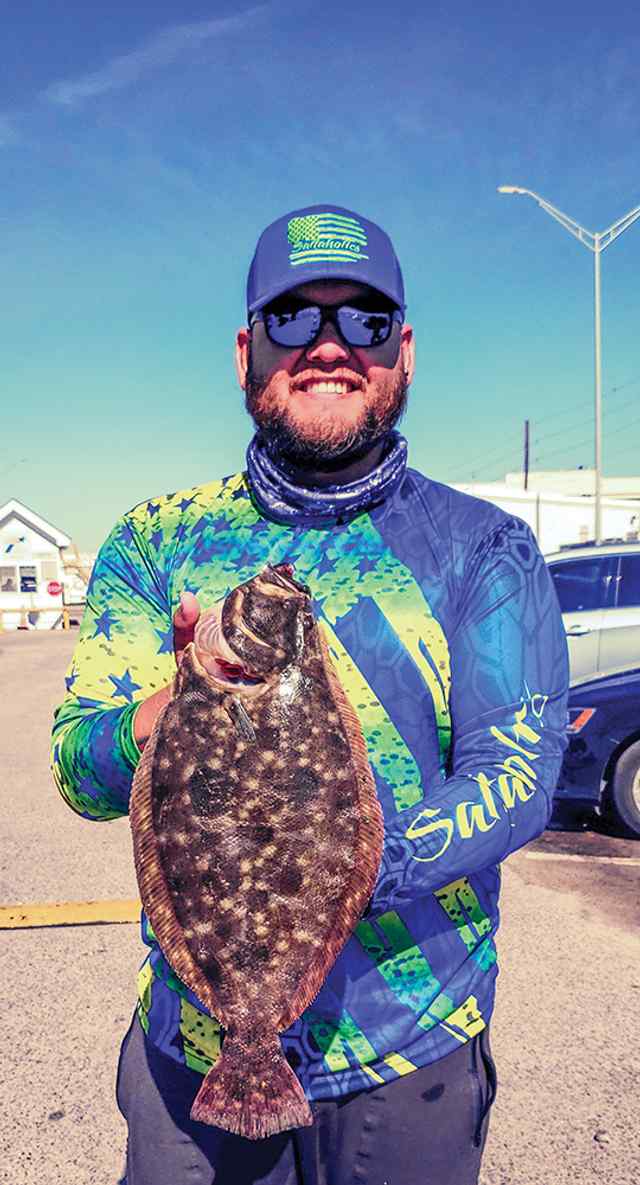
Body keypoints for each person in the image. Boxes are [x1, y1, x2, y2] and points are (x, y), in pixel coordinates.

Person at [51, 203, 569, 1185]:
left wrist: (338, 870)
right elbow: (80, 770)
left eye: (364, 320)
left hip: (406, 1051)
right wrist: (175, 712)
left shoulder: (484, 550)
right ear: (246, 349)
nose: (329, 344)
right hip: (193, 1050)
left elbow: (522, 773)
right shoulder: (154, 542)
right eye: (293, 318)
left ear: (403, 351)